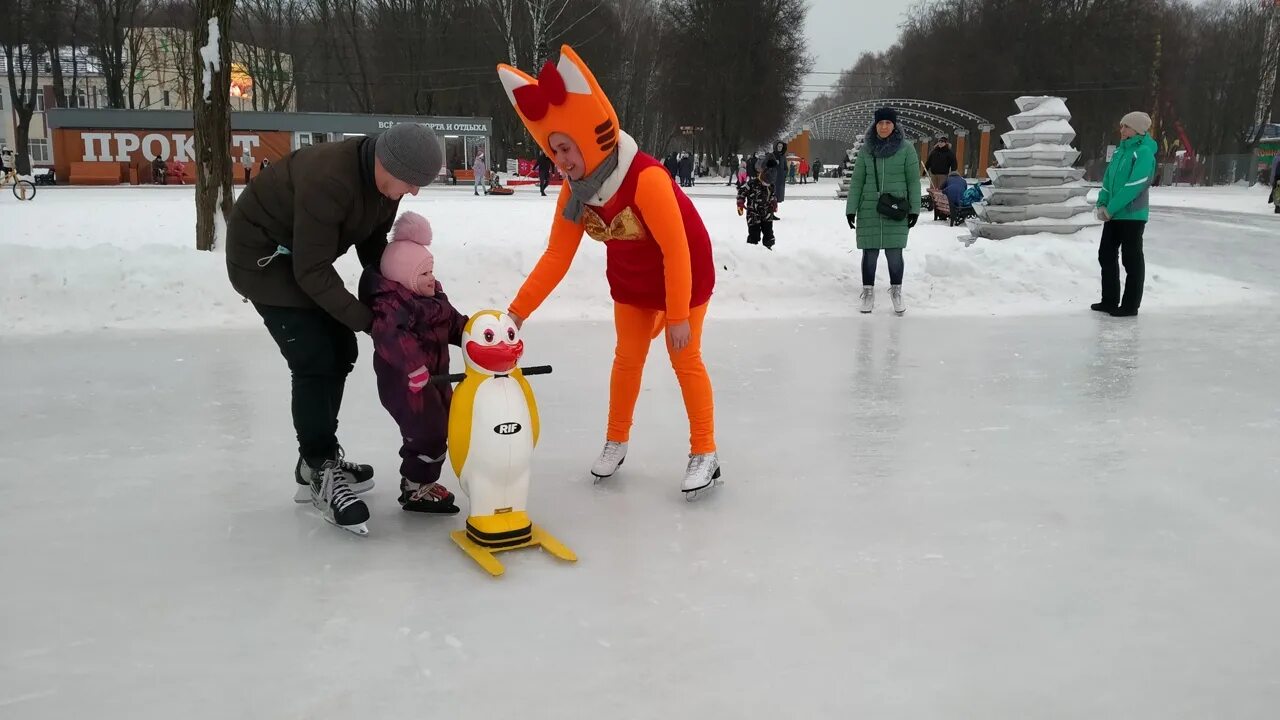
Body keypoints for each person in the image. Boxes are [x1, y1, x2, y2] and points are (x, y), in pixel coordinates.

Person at [496, 45, 721, 496]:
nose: (559, 159)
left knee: (685, 357)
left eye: (565, 147)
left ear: (587, 136)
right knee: (627, 360)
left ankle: (706, 452)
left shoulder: (646, 178)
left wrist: (677, 315)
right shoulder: (575, 193)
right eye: (552, 149)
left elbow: (676, 249)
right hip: (631, 283)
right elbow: (557, 256)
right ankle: (615, 441)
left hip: (685, 276)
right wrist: (517, 313)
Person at [225, 122, 443, 532]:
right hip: (263, 260)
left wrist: (407, 292)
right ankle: (318, 469)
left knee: (342, 350)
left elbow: (373, 250)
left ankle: (319, 457)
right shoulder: (331, 179)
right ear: (388, 163)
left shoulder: (383, 186)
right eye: (412, 182)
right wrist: (374, 322)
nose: (413, 192)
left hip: (301, 258)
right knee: (315, 355)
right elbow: (312, 271)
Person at [357, 211, 465, 516]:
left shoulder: (433, 299)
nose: (432, 278)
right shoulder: (392, 308)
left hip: (435, 378)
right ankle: (416, 488)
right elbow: (392, 340)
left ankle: (419, 482)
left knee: (444, 424)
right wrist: (415, 369)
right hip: (407, 385)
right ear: (406, 279)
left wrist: (477, 335)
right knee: (427, 432)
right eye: (424, 274)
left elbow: (454, 323)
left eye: (431, 270)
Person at [844, 107, 920, 316]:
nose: (884, 126)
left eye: (888, 123)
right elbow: (857, 181)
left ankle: (896, 291)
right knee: (870, 253)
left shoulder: (906, 149)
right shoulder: (867, 150)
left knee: (895, 253)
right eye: (880, 123)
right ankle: (868, 292)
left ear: (894, 125)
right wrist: (851, 209)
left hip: (895, 209)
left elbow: (913, 181)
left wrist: (914, 209)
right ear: (875, 125)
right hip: (869, 208)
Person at [1092, 111, 1157, 318]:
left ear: (1137, 129)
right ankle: (1110, 300)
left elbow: (1135, 185)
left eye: (1125, 126)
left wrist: (1111, 208)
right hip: (1114, 215)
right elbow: (1108, 181)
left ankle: (1130, 305)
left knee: (1132, 259)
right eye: (1122, 126)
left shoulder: (1144, 152)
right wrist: (1102, 203)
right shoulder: (1121, 152)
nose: (1122, 130)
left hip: (1132, 215)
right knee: (1106, 255)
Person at [737, 156, 778, 249]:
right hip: (753, 213)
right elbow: (741, 192)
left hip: (767, 213)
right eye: (765, 182)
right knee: (754, 235)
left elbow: (772, 195)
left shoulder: (771, 186)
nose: (766, 184)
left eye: (769, 183)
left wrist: (773, 202)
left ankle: (768, 249)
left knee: (769, 234)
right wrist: (740, 202)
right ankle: (752, 252)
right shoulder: (752, 184)